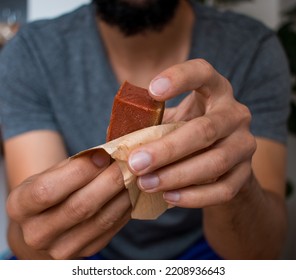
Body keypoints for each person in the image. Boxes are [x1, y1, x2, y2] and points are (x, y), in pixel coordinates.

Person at [0, 0, 291, 260]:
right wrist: (37, 233)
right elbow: (29, 233)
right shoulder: (31, 51)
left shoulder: (252, 48)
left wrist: (235, 183)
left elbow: (261, 255)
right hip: (89, 254)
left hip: (202, 253)